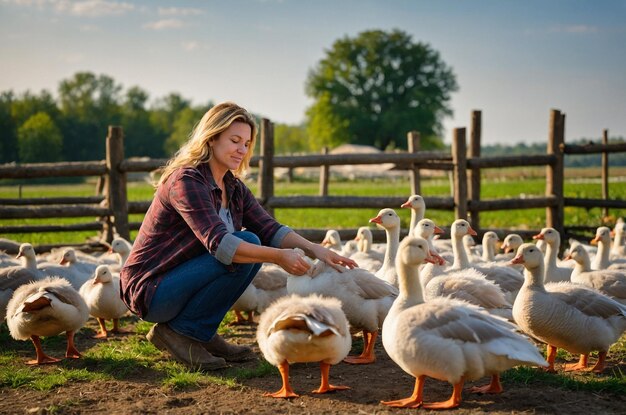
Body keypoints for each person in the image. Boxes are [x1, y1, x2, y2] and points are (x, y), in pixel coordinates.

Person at [120, 102, 357, 370]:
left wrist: (316, 250)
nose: (242, 150)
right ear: (211, 138)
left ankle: (199, 331)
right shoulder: (186, 181)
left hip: (182, 281)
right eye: (235, 140)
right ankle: (180, 332)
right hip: (152, 289)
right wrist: (278, 257)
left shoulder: (232, 186)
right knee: (249, 244)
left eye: (246, 143)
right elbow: (219, 243)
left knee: (254, 240)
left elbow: (269, 228)